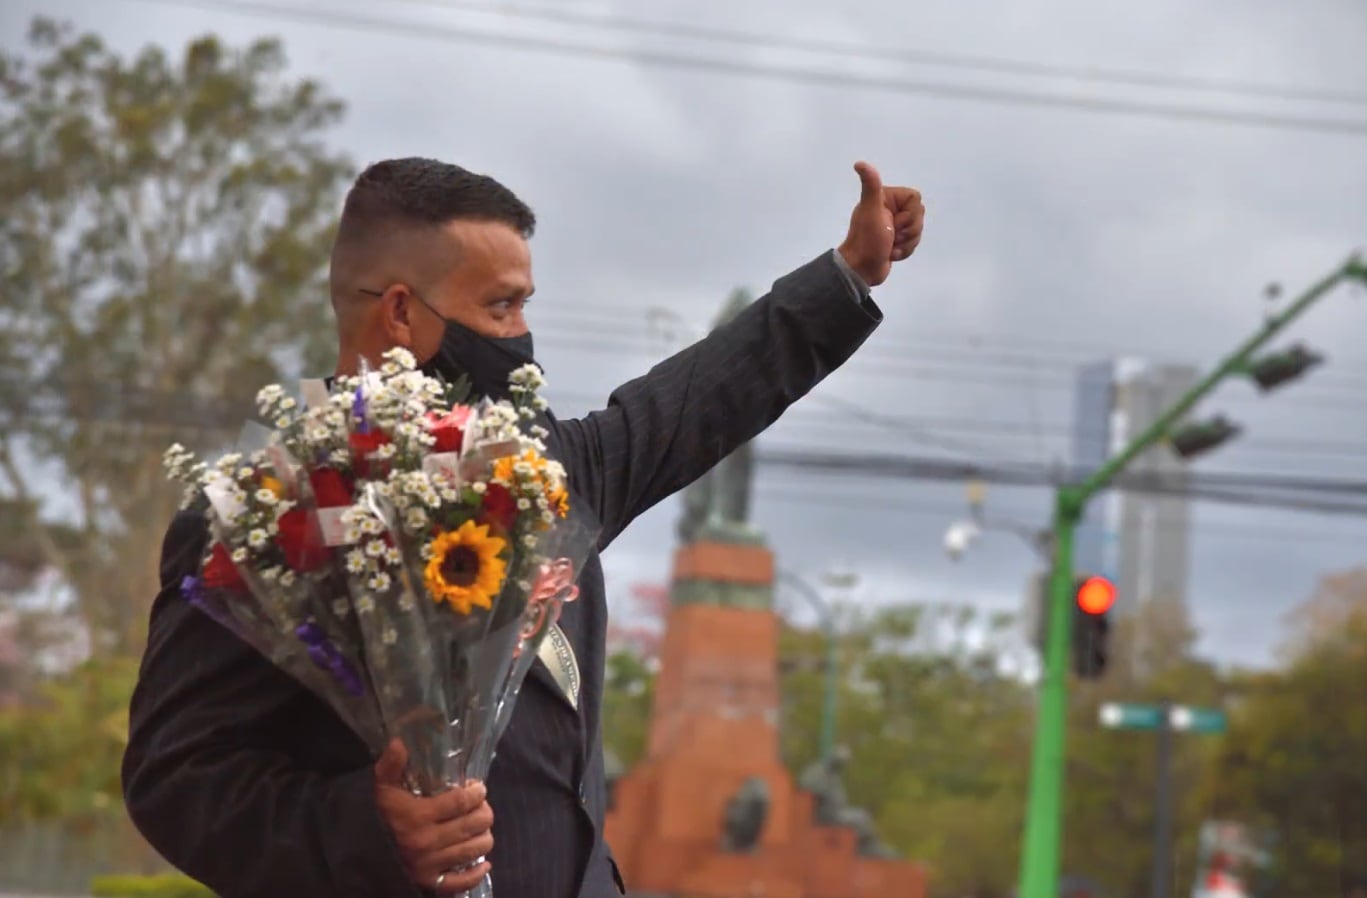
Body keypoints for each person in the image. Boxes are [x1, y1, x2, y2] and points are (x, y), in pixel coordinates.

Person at [122, 156, 925, 898]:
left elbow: (697, 397)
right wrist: (367, 832)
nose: (521, 339)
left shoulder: (546, 472)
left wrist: (847, 275)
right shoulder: (271, 511)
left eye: (523, 306)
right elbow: (177, 778)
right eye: (499, 307)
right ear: (400, 312)